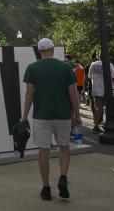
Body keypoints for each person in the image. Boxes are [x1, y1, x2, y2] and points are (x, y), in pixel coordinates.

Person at [20, 38, 81, 200]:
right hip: (63, 115)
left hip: (42, 116)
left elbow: (29, 94)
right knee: (64, 147)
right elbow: (73, 93)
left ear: (39, 52)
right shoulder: (66, 67)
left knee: (43, 151)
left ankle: (46, 188)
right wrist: (77, 115)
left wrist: (24, 116)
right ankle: (63, 176)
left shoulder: (32, 68)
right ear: (52, 50)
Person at [88, 51, 114, 134]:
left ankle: (97, 125)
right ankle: (97, 126)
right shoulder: (109, 65)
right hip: (106, 90)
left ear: (98, 56)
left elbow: (90, 77)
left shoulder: (93, 64)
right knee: (105, 108)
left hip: (96, 89)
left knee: (98, 107)